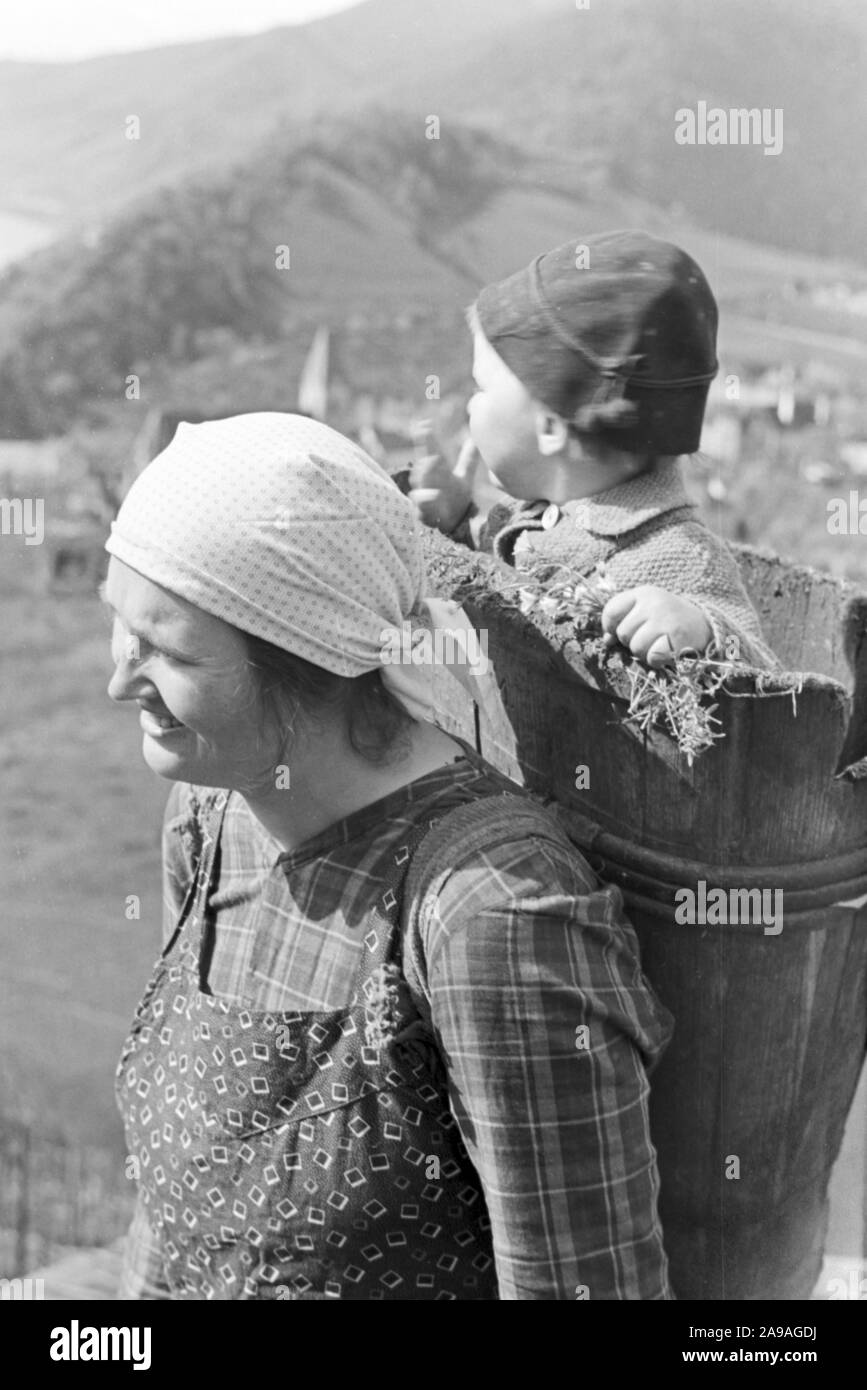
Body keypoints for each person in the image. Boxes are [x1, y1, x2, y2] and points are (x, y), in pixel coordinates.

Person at [104, 411, 673, 1301]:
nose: (118, 680)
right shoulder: (207, 821)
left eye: (170, 652)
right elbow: (178, 1215)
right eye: (122, 626)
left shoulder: (491, 913)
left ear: (310, 660)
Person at [410, 230, 779, 671]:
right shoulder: (529, 514)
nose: (471, 404)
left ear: (549, 426)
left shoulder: (677, 554)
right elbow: (494, 577)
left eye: (481, 387)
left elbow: (766, 675)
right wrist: (457, 524)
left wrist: (700, 628)